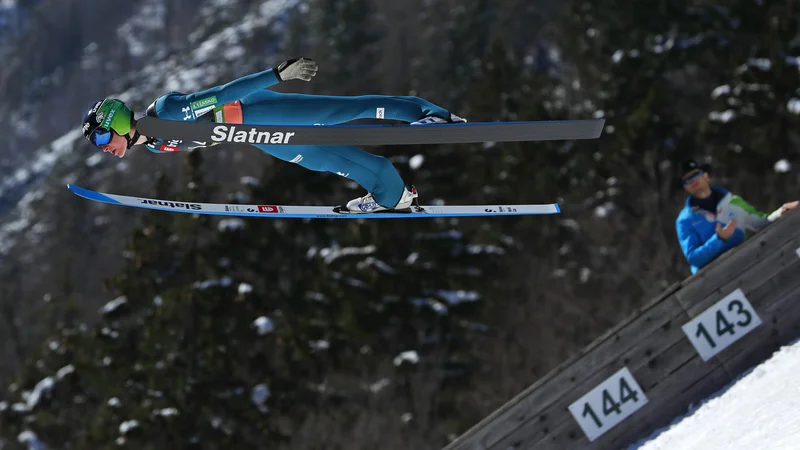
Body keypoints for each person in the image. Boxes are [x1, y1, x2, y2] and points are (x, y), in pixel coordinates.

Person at [80, 58, 467, 213]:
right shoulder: (156, 142)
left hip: (257, 112)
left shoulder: (166, 113)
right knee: (325, 160)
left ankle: (429, 113)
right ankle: (392, 192)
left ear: (116, 123)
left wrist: (278, 75)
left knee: (343, 112)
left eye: (101, 140)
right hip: (257, 135)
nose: (104, 150)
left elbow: (224, 95)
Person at [675, 159, 798, 274]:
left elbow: (762, 223)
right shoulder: (685, 220)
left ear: (706, 175)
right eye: (687, 180)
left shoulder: (733, 202)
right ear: (685, 187)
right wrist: (719, 239)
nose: (693, 181)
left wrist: (782, 211)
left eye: (695, 175)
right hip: (713, 281)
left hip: (745, 267)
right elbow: (694, 258)